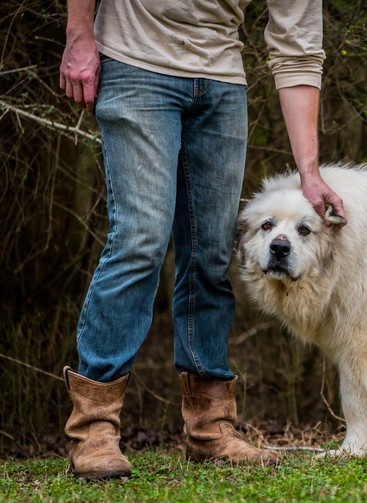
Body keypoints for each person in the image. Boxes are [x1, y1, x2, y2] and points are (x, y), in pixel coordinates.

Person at [59, 0, 345, 479]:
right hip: (135, 64)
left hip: (221, 82)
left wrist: (309, 173)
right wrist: (79, 34)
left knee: (211, 254)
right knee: (140, 242)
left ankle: (210, 428)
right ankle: (94, 429)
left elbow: (297, 48)